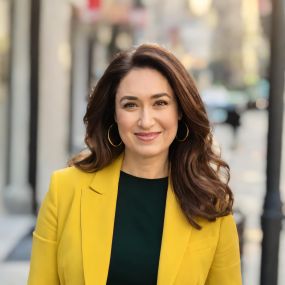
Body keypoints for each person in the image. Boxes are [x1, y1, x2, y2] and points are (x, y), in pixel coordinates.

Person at [28, 43, 242, 285]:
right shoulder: (65, 189)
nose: (146, 120)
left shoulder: (210, 202)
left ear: (179, 110)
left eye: (160, 103)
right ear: (114, 114)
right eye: (130, 104)